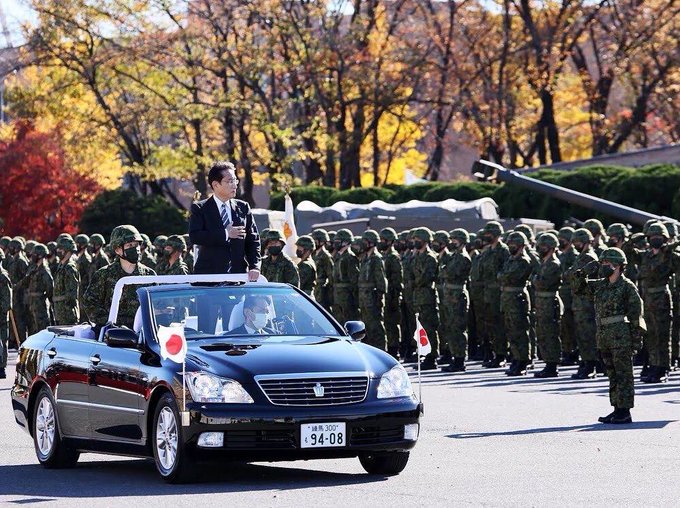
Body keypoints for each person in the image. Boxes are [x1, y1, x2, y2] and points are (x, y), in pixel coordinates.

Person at [572, 248, 644, 424]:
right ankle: (616, 408)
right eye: (602, 263)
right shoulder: (600, 285)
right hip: (604, 335)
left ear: (618, 265)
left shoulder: (627, 286)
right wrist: (583, 273)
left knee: (623, 374)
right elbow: (578, 289)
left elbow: (636, 314)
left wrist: (636, 340)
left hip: (620, 335)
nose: (603, 266)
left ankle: (625, 411)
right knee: (612, 374)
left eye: (607, 263)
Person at [624, 222, 680, 383]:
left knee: (662, 335)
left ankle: (663, 368)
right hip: (646, 300)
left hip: (661, 298)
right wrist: (634, 239)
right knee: (650, 336)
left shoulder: (671, 256)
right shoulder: (645, 256)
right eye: (652, 236)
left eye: (659, 236)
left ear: (665, 238)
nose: (655, 239)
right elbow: (627, 252)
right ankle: (653, 365)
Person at [189, 160, 261, 280]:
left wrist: (255, 266)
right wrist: (226, 234)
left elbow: (253, 240)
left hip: (238, 275)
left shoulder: (243, 207)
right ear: (215, 185)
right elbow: (195, 236)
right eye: (230, 181)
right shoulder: (200, 208)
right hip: (209, 276)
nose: (235, 185)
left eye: (235, 180)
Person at [82, 225, 156, 330]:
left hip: (143, 333)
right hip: (112, 334)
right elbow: (90, 303)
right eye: (129, 245)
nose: (135, 248)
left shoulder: (149, 275)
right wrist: (111, 322)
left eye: (137, 244)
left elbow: (156, 305)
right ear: (117, 250)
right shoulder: (104, 274)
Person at [564, 228, 600, 379]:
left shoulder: (588, 257)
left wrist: (570, 273)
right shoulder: (582, 256)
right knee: (582, 334)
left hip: (586, 303)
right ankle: (586, 362)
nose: (576, 245)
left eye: (579, 242)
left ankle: (590, 365)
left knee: (587, 335)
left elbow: (572, 275)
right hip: (580, 302)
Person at [498, 232, 533, 376]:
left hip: (517, 299)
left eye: (514, 244)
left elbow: (509, 276)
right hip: (508, 299)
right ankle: (516, 358)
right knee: (511, 331)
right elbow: (501, 275)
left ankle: (523, 360)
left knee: (520, 332)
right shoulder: (510, 260)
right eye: (510, 244)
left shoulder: (524, 261)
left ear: (521, 246)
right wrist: (503, 276)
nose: (511, 246)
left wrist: (503, 276)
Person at [439, 228, 472, 372]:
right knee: (450, 327)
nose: (452, 242)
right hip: (450, 295)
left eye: (455, 240)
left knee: (458, 328)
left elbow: (448, 273)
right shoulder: (454, 256)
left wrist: (444, 269)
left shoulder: (463, 258)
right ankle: (454, 356)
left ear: (462, 242)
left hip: (457, 296)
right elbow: (442, 270)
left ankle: (460, 359)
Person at [479, 221, 510, 368]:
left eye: (489, 233)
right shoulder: (487, 252)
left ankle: (501, 355)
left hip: (498, 293)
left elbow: (506, 271)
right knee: (489, 325)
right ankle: (491, 352)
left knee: (499, 325)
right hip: (487, 293)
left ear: (496, 234)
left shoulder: (503, 251)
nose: (486, 236)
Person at [532, 233, 563, 378]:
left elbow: (541, 283)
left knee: (550, 333)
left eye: (544, 247)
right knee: (543, 333)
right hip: (542, 302)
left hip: (549, 302)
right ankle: (548, 363)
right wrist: (536, 279)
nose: (540, 249)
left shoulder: (553, 264)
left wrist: (536, 279)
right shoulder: (544, 263)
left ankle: (552, 365)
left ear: (551, 248)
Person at [411, 227, 440, 370]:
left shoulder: (430, 257)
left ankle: (431, 357)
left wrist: (414, 282)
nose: (415, 241)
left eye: (418, 239)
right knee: (421, 328)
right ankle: (425, 354)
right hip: (418, 296)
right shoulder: (416, 256)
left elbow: (426, 277)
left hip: (427, 297)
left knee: (429, 328)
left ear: (425, 240)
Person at [357, 230, 387, 350]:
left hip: (372, 298)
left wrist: (379, 298)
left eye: (365, 241)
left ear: (372, 243)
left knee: (376, 327)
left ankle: (381, 350)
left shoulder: (376, 259)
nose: (363, 244)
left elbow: (381, 281)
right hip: (364, 298)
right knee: (367, 327)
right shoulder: (365, 258)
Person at [17, 244, 53, 335]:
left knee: (42, 328)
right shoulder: (33, 269)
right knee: (33, 329)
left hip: (40, 304)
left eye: (34, 254)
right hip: (32, 303)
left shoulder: (44, 271)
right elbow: (25, 283)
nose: (32, 256)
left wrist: (43, 297)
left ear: (40, 256)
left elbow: (50, 289)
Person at [379, 227, 403, 359]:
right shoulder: (384, 256)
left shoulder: (393, 257)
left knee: (392, 324)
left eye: (384, 240)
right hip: (386, 295)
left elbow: (397, 280)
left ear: (390, 241)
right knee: (387, 323)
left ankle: (394, 350)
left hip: (392, 295)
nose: (381, 242)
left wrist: (394, 297)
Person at [332, 229, 359, 325]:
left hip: (347, 297)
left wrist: (354, 298)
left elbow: (354, 280)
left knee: (348, 322)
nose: (335, 244)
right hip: (337, 296)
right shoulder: (338, 256)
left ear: (346, 242)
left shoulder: (350, 257)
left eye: (338, 241)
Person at [52, 236, 80, 325]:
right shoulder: (61, 266)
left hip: (67, 314)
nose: (58, 251)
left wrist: (67, 311)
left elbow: (72, 295)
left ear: (67, 250)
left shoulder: (69, 268)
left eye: (60, 249)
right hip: (59, 312)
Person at [311, 229, 334, 312]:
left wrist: (328, 292)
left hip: (321, 289)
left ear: (321, 242)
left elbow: (331, 276)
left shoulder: (326, 256)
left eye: (315, 241)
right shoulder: (313, 254)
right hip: (314, 287)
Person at [0, 265, 11, 379]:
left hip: (1, 316)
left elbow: (7, 299)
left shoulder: (3, 277)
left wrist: (3, 311)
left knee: (2, 341)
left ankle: (1, 368)